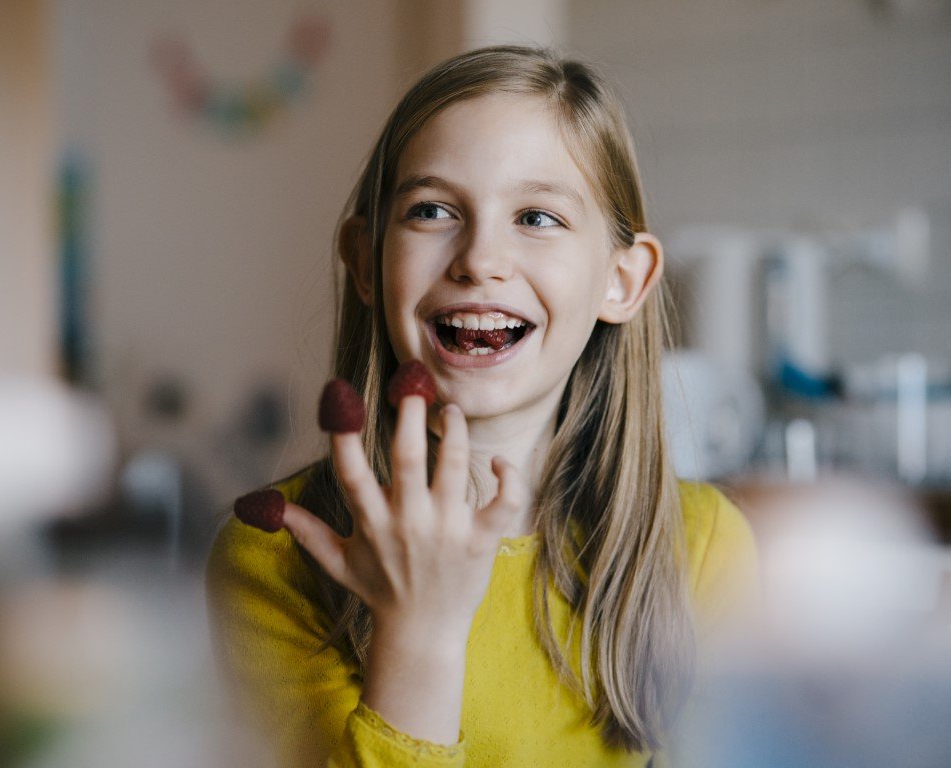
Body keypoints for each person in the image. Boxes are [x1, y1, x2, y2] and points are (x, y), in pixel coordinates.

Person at [206, 45, 757, 767]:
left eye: (536, 217)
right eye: (431, 210)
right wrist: (420, 637)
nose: (479, 258)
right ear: (366, 262)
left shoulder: (703, 550)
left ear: (622, 280)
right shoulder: (278, 557)